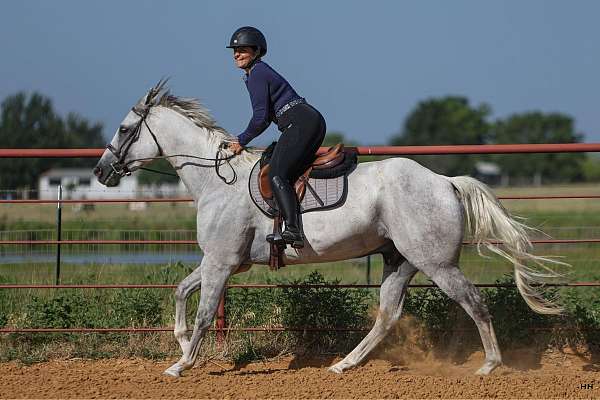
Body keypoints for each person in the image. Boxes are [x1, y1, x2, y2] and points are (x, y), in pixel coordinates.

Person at [227, 26, 326, 249]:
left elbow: (260, 118)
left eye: (242, 49)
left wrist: (241, 140)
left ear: (256, 51)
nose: (236, 54)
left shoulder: (257, 74)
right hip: (308, 121)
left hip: (299, 123)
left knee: (276, 174)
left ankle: (293, 229)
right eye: (234, 50)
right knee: (286, 169)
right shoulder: (258, 72)